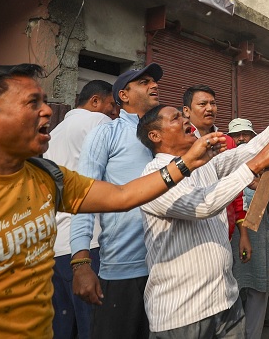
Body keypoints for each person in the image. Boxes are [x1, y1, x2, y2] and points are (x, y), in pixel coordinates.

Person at [0, 64, 220, 338]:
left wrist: (186, 163)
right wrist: (83, 263)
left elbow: (122, 195)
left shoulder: (46, 176)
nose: (47, 113)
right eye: (31, 104)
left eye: (43, 102)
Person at [139, 90, 269, 338]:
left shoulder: (203, 164)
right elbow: (203, 205)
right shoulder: (153, 176)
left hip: (225, 304)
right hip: (182, 314)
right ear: (155, 136)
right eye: (176, 118)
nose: (186, 121)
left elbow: (247, 151)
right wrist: (255, 166)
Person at [69, 65, 163, 339]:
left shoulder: (167, 135)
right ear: (123, 95)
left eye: (154, 81)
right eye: (144, 82)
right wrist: (81, 262)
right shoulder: (106, 134)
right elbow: (84, 196)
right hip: (123, 269)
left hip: (165, 269)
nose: (153, 85)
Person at [44, 79, 116, 339]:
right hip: (89, 244)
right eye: (112, 105)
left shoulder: (55, 133)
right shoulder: (99, 123)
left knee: (63, 329)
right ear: (95, 101)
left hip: (57, 246)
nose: (115, 112)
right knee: (94, 329)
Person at [227, 118, 269, 339]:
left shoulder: (265, 163)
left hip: (259, 230)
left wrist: (259, 183)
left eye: (246, 134)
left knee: (258, 285)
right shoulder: (223, 162)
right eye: (236, 135)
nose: (241, 138)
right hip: (232, 231)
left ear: (253, 138)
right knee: (233, 285)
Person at [182, 85, 242, 239]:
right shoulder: (181, 141)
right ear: (186, 111)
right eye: (202, 104)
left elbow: (236, 189)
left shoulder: (226, 141)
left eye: (213, 103)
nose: (209, 108)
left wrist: (243, 233)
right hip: (192, 227)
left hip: (224, 227)